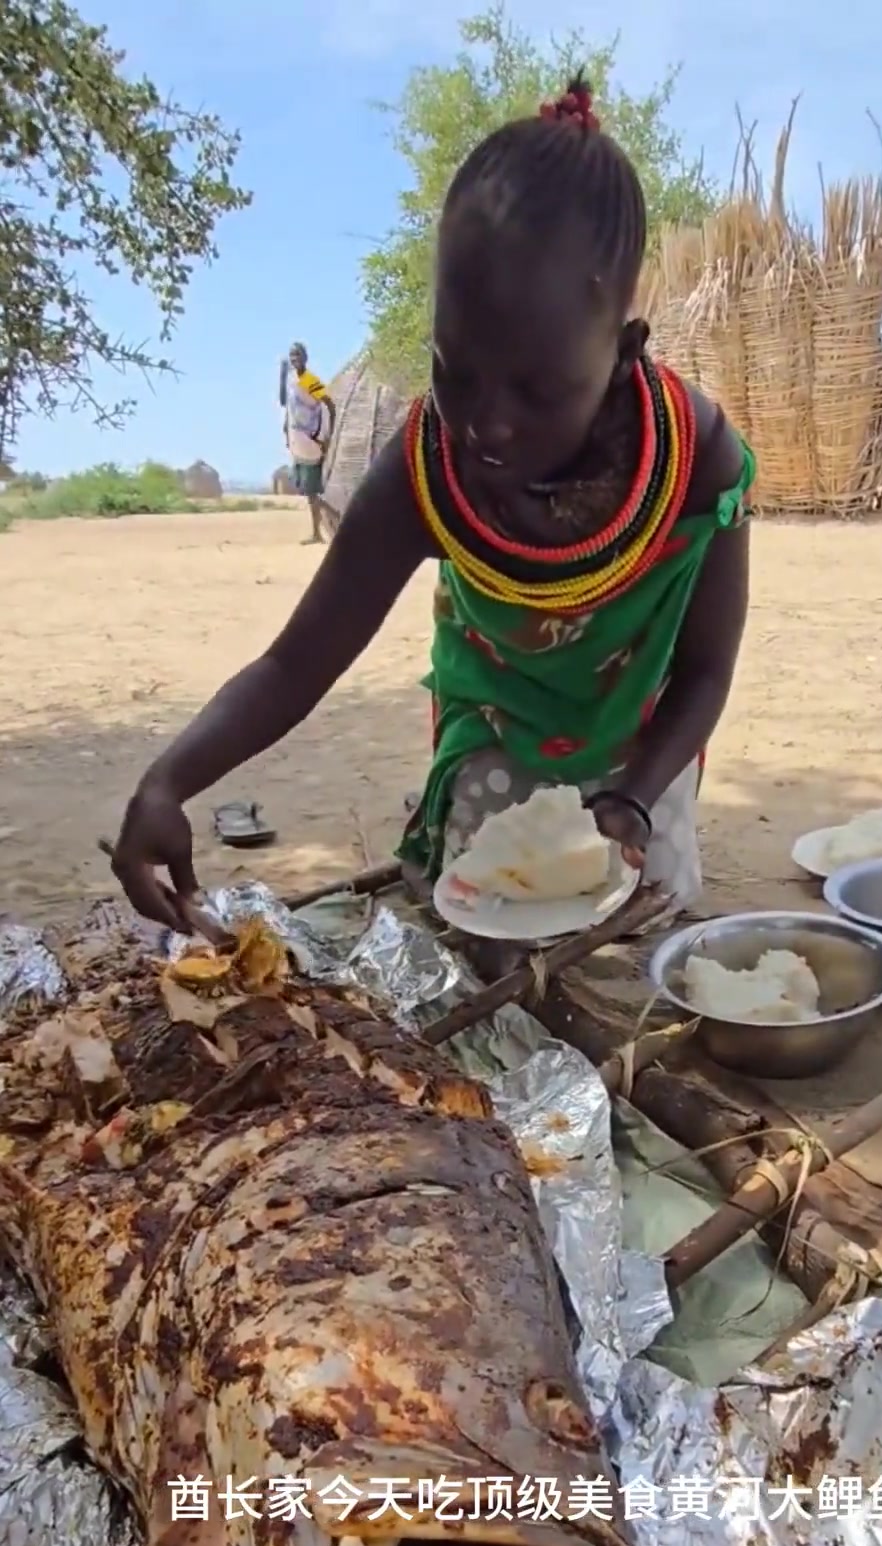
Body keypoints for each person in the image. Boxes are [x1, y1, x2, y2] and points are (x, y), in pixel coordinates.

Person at [113, 76, 754, 933]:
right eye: (456, 369)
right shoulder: (426, 471)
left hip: (646, 749)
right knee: (484, 935)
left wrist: (635, 801)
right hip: (494, 736)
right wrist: (167, 781)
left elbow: (707, 668)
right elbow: (294, 665)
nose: (487, 422)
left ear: (622, 352)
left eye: (536, 389)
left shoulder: (694, 458)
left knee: (630, 946)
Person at [279, 342, 335, 544]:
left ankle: (318, 533)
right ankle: (321, 529)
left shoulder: (310, 380)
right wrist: (286, 431)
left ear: (305, 357)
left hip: (311, 443)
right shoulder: (293, 381)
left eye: (297, 355)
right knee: (309, 492)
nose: (294, 359)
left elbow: (329, 403)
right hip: (298, 443)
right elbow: (288, 408)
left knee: (312, 492)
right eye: (291, 356)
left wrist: (328, 435)